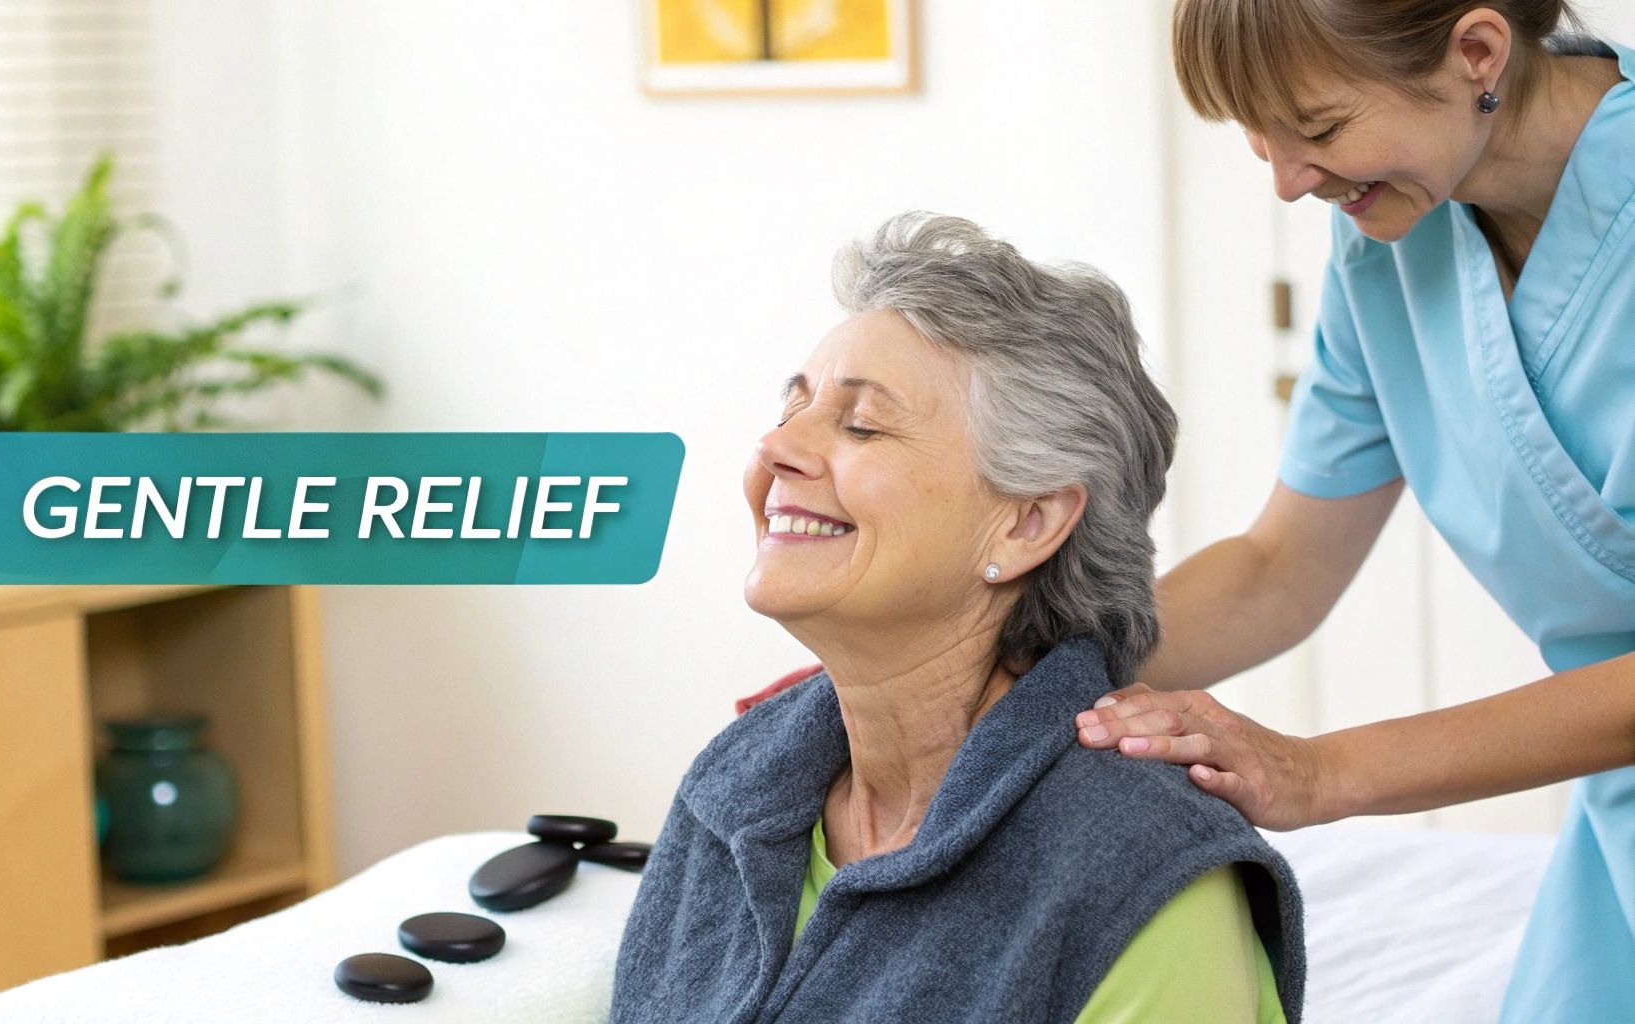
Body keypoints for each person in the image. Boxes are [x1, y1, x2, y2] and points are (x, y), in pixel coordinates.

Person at [1067, 2, 1635, 1019]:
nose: (1288, 183)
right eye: (1258, 141)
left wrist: (1318, 773)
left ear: (1474, 53)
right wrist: (1013, 658)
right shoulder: (1387, 247)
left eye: (1318, 131)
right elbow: (1278, 564)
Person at [609, 212, 1304, 1023]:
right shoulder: (734, 786)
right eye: (788, 411)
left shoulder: (1144, 877)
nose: (776, 451)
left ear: (1027, 523)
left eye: (862, 424)